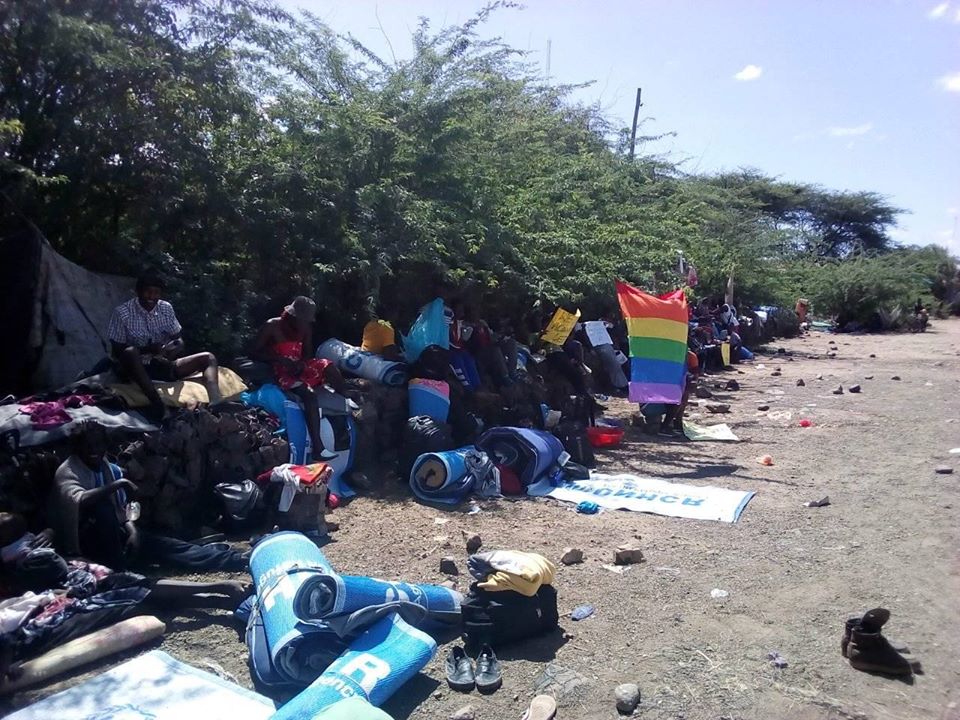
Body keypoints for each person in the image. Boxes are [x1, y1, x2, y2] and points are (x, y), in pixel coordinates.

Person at [50, 422, 247, 571]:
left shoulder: (104, 467)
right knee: (101, 508)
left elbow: (122, 510)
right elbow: (78, 500)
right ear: (77, 447)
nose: (94, 450)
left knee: (171, 548)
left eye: (98, 444)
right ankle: (120, 569)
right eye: (88, 446)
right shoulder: (68, 471)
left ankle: (236, 560)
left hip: (117, 536)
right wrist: (119, 484)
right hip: (89, 544)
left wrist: (133, 531)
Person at [108, 275, 221, 420]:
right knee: (131, 352)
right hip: (132, 368)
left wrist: (173, 348)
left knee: (208, 357)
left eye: (156, 293)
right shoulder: (123, 313)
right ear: (138, 292)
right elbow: (117, 350)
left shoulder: (165, 308)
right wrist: (148, 349)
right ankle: (157, 404)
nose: (152, 297)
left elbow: (178, 338)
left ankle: (216, 401)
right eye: (148, 292)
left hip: (159, 364)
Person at [251, 296, 350, 460]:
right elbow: (254, 352)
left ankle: (346, 397)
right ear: (292, 317)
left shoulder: (306, 330)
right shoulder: (272, 326)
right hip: (279, 370)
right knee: (309, 394)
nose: (305, 324)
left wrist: (302, 365)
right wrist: (279, 359)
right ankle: (318, 447)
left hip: (297, 367)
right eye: (302, 321)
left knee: (328, 365)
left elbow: (307, 355)